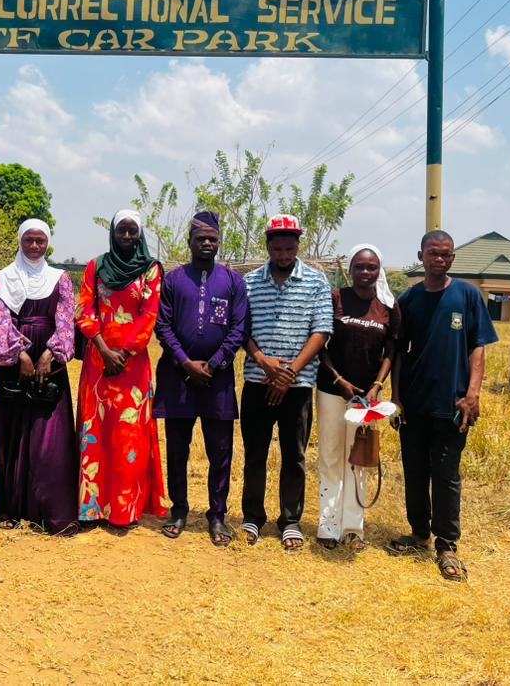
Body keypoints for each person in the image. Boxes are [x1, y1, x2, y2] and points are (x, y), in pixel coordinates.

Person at [388, 230, 497, 582]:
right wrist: (396, 396)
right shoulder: (409, 300)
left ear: (452, 258)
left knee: (446, 475)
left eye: (446, 254)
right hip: (414, 403)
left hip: (453, 404)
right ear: (420, 256)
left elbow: (477, 347)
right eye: (433, 253)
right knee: (415, 471)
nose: (440, 259)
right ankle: (419, 532)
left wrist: (473, 393)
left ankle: (447, 544)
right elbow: (397, 353)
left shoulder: (467, 295)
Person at [153, 212, 247, 547]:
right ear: (190, 242)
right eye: (200, 239)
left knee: (220, 451)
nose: (207, 244)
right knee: (177, 449)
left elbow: (239, 328)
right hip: (178, 377)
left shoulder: (233, 281)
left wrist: (215, 362)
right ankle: (178, 510)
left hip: (217, 380)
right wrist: (185, 362)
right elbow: (162, 325)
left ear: (219, 242)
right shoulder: (174, 280)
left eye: (212, 239)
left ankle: (217, 516)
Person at [241, 214, 333, 550]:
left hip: (298, 386)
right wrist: (263, 362)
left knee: (294, 454)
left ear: (298, 246)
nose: (283, 254)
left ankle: (290, 520)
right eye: (277, 248)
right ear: (268, 247)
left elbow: (322, 331)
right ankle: (252, 517)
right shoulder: (249, 283)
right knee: (255, 453)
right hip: (256, 381)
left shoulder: (316, 281)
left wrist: (289, 372)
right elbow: (241, 332)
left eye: (289, 248)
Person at [76, 209, 166, 531]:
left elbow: (149, 315)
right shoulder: (95, 267)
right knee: (96, 432)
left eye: (132, 232)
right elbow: (84, 308)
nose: (126, 237)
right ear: (112, 233)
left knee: (128, 436)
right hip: (99, 362)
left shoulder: (151, 270)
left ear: (140, 234)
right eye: (121, 231)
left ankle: (124, 510)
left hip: (132, 364)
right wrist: (102, 348)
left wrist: (124, 353)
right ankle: (92, 507)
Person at [0, 219, 78, 535]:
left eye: (41, 241)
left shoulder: (60, 279)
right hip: (15, 363)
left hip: (48, 365)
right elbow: (0, 320)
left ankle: (48, 510)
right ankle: (12, 509)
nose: (35, 246)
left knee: (47, 441)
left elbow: (66, 321)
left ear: (48, 243)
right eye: (29, 240)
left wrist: (49, 353)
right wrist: (20, 355)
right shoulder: (4, 278)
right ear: (20, 241)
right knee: (11, 437)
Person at [315, 244, 400, 552]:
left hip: (366, 397)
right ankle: (328, 525)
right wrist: (338, 380)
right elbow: (320, 343)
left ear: (379, 271)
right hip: (331, 390)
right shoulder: (336, 299)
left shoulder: (387, 305)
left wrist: (378, 384)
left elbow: (392, 350)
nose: (366, 273)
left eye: (372, 267)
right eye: (360, 267)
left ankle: (353, 527)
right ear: (349, 270)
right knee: (331, 455)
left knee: (359, 459)